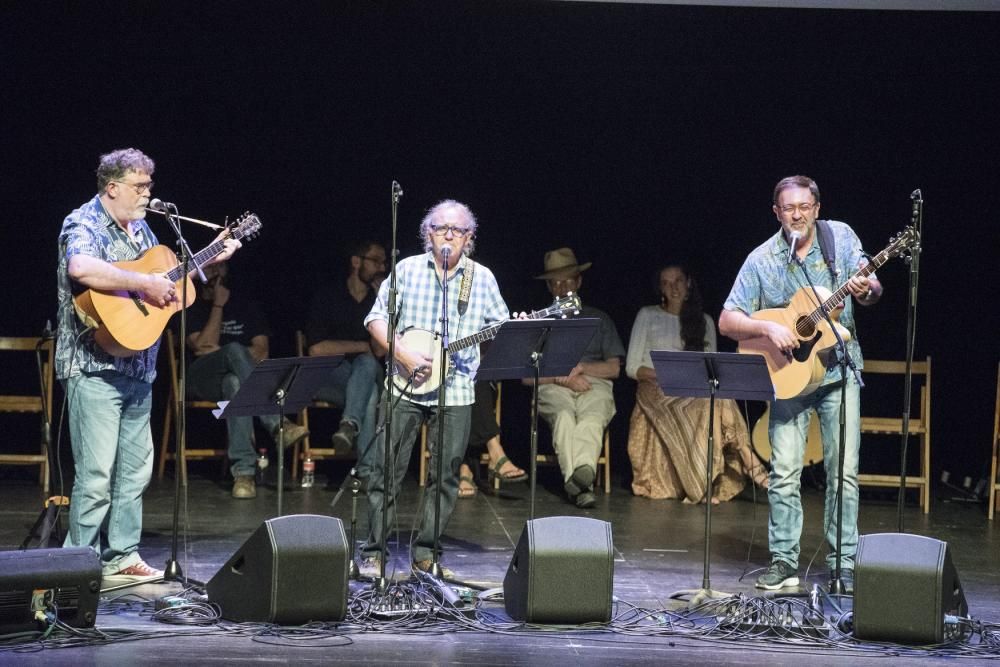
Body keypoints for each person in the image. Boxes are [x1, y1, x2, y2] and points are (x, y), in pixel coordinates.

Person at [57, 148, 239, 582]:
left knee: (135, 472)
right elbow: (81, 267)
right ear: (112, 187)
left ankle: (122, 555)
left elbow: (166, 281)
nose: (147, 194)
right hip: (93, 366)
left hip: (139, 368)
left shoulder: (141, 230)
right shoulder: (82, 222)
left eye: (149, 186)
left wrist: (208, 259)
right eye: (139, 187)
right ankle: (74, 565)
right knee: (97, 475)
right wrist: (144, 282)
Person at [719, 175, 882, 593]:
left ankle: (843, 565)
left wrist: (867, 291)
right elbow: (728, 320)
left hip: (838, 370)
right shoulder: (763, 259)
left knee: (843, 472)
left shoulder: (840, 239)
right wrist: (769, 331)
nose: (797, 214)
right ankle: (783, 562)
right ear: (777, 213)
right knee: (786, 471)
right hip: (789, 376)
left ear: (817, 208)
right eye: (788, 208)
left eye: (804, 207)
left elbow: (872, 288)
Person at [360, 200, 509, 577]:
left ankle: (426, 553)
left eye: (456, 230)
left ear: (468, 238)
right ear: (428, 233)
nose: (448, 235)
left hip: (456, 389)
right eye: (440, 228)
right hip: (403, 384)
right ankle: (374, 551)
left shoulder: (482, 278)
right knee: (386, 471)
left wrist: (511, 330)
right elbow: (376, 319)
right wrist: (404, 353)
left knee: (445, 477)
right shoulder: (407, 270)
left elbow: (501, 331)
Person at [625, 264, 767, 503]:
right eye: (666, 283)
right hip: (655, 388)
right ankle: (750, 463)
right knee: (705, 403)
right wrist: (669, 373)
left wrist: (689, 378)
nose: (673, 287)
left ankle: (719, 470)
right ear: (660, 287)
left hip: (692, 388)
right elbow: (631, 368)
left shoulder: (705, 321)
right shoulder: (647, 315)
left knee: (719, 398)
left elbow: (710, 366)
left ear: (688, 283)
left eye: (678, 281)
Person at [185, 261, 309, 499]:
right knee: (233, 350)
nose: (215, 273)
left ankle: (243, 475)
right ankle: (277, 424)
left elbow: (262, 353)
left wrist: (226, 352)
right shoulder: (192, 303)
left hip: (235, 380)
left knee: (234, 383)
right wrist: (218, 306)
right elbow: (199, 346)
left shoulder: (245, 306)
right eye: (210, 267)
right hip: (201, 379)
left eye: (220, 268)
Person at [526, 248, 625, 509]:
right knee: (565, 418)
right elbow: (526, 377)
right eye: (556, 282)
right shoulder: (540, 320)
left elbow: (614, 368)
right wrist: (562, 377)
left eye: (568, 280)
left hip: (593, 383)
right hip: (552, 384)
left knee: (592, 419)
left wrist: (580, 367)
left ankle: (575, 484)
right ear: (549, 287)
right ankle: (582, 485)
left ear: (579, 282)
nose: (562, 287)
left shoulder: (600, 318)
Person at [305, 240, 386, 484]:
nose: (381, 268)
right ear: (356, 262)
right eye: (376, 261)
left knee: (368, 367)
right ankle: (368, 473)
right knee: (368, 389)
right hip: (330, 378)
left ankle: (349, 425)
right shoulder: (328, 296)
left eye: (384, 263)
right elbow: (317, 350)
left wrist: (384, 301)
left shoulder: (378, 301)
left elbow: (381, 353)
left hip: (365, 376)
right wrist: (362, 346)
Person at [457, 381, 527, 498]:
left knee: (475, 381)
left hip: (482, 385)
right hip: (448, 384)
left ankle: (465, 468)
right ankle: (494, 452)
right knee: (459, 388)